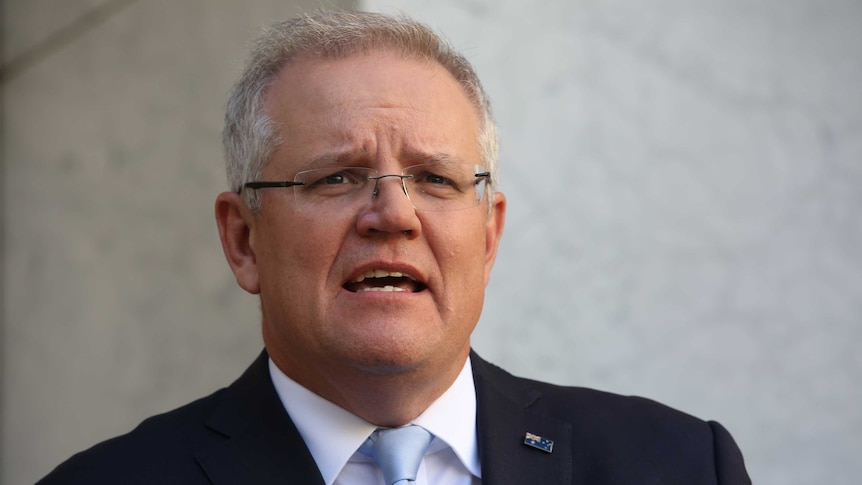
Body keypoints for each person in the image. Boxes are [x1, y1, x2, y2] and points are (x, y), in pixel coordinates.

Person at [39, 10, 751, 485]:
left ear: (489, 233)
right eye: (339, 176)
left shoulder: (681, 464)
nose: (393, 215)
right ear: (244, 239)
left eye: (435, 178)